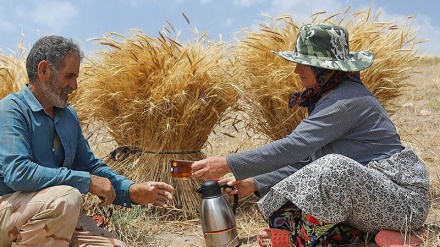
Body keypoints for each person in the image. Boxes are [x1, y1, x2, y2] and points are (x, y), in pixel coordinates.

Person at [191, 23, 430, 246]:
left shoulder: (346, 101)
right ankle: (377, 236)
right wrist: (252, 183)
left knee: (333, 168)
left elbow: (295, 147)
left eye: (304, 63)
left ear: (323, 67)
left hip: (402, 201)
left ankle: (402, 229)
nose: (296, 70)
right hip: (374, 199)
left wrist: (227, 163)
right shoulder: (329, 97)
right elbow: (308, 161)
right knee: (284, 206)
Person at [0, 35, 175, 246]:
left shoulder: (68, 116)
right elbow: (19, 173)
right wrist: (86, 181)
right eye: (69, 76)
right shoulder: (11, 110)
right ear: (44, 70)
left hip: (57, 213)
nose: (74, 86)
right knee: (68, 197)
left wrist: (130, 191)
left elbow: (90, 166)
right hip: (9, 210)